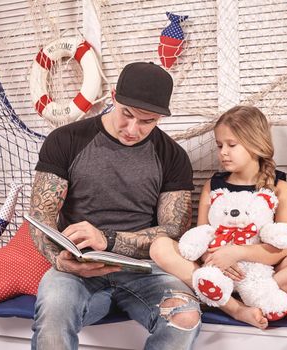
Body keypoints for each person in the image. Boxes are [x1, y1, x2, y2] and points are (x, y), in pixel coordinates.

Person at [28, 62, 201, 350]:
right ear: (112, 97)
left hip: (145, 271)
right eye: (127, 114)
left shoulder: (173, 156)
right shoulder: (66, 140)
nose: (133, 129)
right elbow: (40, 214)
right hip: (77, 267)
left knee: (185, 315)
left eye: (148, 121)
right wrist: (58, 259)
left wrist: (107, 239)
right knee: (54, 313)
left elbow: (173, 232)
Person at [150, 105, 287, 329]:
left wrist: (237, 253)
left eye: (231, 145)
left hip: (261, 271)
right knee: (160, 247)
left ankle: (248, 295)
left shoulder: (281, 188)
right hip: (218, 269)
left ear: (256, 145)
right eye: (219, 145)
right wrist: (218, 259)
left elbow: (284, 248)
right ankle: (234, 308)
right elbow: (202, 236)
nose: (223, 152)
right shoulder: (213, 186)